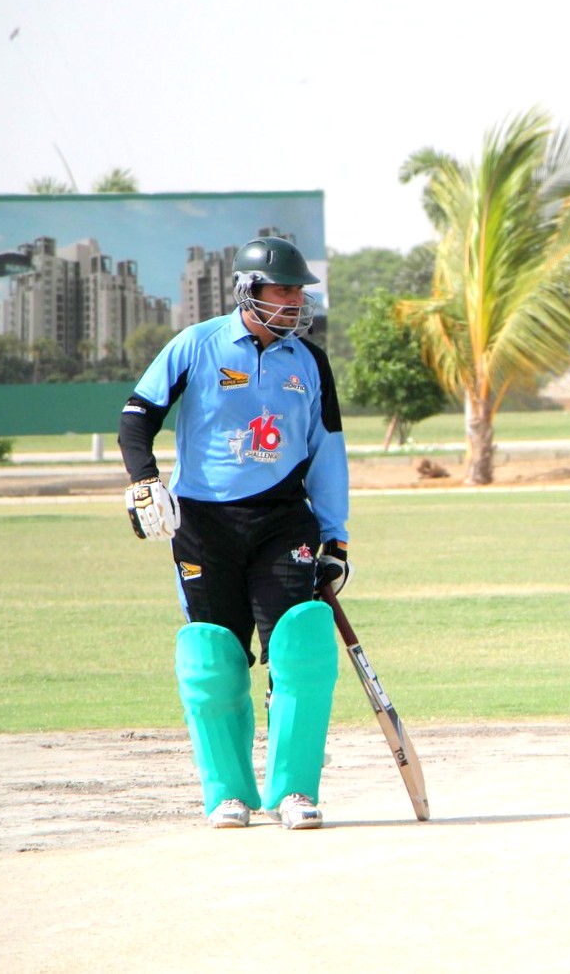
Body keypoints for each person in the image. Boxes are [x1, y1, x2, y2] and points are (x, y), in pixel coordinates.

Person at [118, 236, 351, 829]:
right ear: (248, 291)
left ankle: (294, 790)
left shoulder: (309, 360)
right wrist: (145, 481)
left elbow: (328, 450)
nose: (295, 301)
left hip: (284, 519)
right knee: (213, 656)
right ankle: (229, 793)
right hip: (204, 524)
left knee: (301, 647)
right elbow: (137, 417)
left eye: (299, 291)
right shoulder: (197, 344)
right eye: (282, 289)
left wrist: (336, 538)